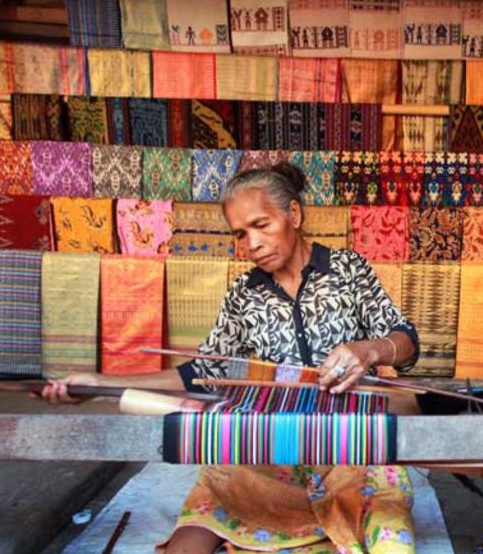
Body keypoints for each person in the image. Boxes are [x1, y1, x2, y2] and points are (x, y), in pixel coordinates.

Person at [42, 163, 420, 554]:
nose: (251, 243)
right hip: (275, 449)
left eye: (262, 225)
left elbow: (406, 340)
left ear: (293, 215)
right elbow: (203, 373)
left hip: (351, 448)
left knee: (391, 538)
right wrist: (102, 384)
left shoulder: (347, 270)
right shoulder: (245, 294)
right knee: (201, 519)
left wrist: (369, 350)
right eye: (240, 233)